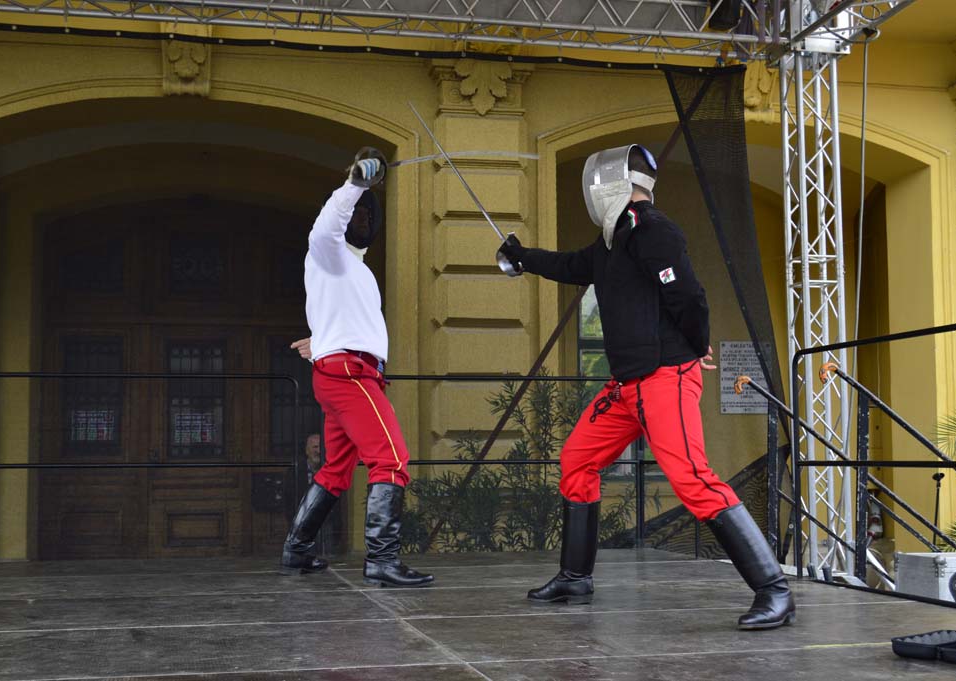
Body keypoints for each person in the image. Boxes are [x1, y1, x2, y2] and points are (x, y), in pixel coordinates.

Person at [497, 144, 794, 630]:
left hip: (665, 378)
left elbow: (689, 296)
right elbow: (571, 266)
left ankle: (774, 591)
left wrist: (695, 345)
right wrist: (522, 257)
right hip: (625, 387)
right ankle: (575, 577)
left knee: (692, 478)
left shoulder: (655, 231)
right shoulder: (611, 241)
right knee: (577, 461)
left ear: (610, 185)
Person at [279, 151, 433, 588]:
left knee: (335, 471)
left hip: (344, 371)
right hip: (350, 376)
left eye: (368, 214)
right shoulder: (327, 252)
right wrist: (355, 184)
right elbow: (325, 227)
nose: (362, 219)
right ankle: (382, 561)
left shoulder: (355, 269)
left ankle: (296, 548)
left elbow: (346, 320)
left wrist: (321, 340)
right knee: (391, 460)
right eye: (357, 213)